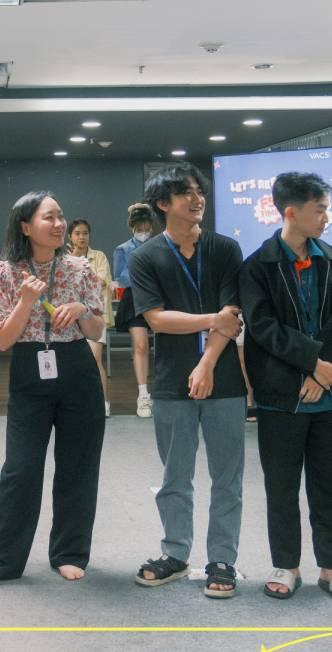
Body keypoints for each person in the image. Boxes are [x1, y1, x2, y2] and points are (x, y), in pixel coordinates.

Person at [0, 192, 106, 593]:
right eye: (49, 217)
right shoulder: (5, 272)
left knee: (78, 467)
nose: (60, 224)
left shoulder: (80, 268)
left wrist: (82, 310)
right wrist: (27, 302)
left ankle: (69, 552)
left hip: (78, 367)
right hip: (30, 369)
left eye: (61, 216)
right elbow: (1, 340)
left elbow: (97, 329)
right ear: (26, 226)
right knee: (20, 471)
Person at [239, 172, 332, 604]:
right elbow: (263, 328)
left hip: (331, 392)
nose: (328, 217)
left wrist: (321, 371)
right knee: (282, 485)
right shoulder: (257, 266)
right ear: (291, 212)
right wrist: (311, 365)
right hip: (281, 395)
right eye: (320, 209)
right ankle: (286, 565)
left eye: (327, 208)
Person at [128, 163, 245, 599]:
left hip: (224, 379)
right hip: (171, 381)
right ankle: (175, 553)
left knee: (227, 477)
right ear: (163, 203)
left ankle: (222, 560)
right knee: (175, 475)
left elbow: (232, 315)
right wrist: (212, 319)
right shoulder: (145, 257)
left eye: (200, 191)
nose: (197, 199)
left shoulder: (225, 249)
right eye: (186, 193)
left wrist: (208, 363)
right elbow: (157, 320)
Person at [68, 218, 113, 417]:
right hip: (72, 319)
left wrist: (80, 270)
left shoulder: (99, 256)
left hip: (95, 315)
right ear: (70, 237)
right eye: (77, 233)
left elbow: (102, 280)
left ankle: (103, 401)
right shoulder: (65, 259)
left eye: (85, 233)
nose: (82, 237)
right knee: (73, 363)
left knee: (95, 359)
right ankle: (77, 403)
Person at [113, 202, 155, 418]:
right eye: (139, 229)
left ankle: (165, 394)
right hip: (134, 300)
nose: (144, 233)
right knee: (141, 346)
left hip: (158, 299)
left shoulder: (160, 245)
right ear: (132, 228)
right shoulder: (123, 249)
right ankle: (143, 394)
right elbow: (120, 278)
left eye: (147, 229)